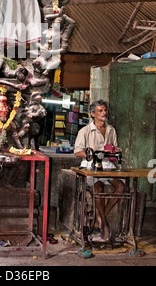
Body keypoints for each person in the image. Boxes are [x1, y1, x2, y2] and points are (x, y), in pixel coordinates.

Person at [74, 99, 124, 242]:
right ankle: (105, 225)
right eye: (100, 111)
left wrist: (114, 151)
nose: (104, 113)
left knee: (121, 186)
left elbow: (113, 149)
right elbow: (77, 152)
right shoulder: (85, 131)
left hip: (107, 166)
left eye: (105, 110)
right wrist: (93, 154)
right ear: (92, 114)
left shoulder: (111, 130)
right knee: (98, 187)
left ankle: (101, 218)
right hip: (91, 166)